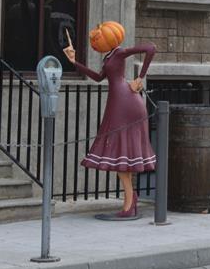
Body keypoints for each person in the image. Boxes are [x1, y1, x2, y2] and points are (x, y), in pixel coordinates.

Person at [63, 24, 157, 221]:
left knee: (121, 152)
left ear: (108, 39)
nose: (95, 44)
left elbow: (151, 48)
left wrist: (140, 78)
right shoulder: (109, 57)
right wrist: (74, 62)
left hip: (126, 103)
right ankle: (131, 199)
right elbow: (98, 78)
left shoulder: (120, 52)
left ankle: (129, 204)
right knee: (120, 153)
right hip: (118, 102)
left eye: (97, 40)